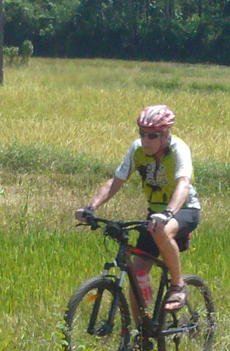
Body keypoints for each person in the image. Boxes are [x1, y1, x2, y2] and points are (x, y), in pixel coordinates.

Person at [75, 105, 201, 312]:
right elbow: (115, 182)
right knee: (137, 273)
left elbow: (183, 184)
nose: (146, 140)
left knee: (162, 229)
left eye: (152, 135)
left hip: (184, 209)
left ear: (166, 134)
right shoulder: (137, 150)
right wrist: (91, 207)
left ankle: (178, 285)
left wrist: (168, 213)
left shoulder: (179, 149)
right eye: (142, 134)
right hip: (156, 214)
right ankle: (142, 333)